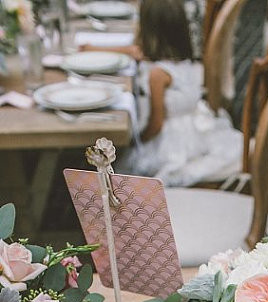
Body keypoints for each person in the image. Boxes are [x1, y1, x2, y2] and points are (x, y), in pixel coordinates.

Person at [85, 0, 242, 186]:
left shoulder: (157, 75)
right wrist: (92, 49)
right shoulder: (184, 61)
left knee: (122, 167)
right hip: (194, 129)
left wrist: (134, 142)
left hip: (170, 142)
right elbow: (134, 51)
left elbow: (156, 125)